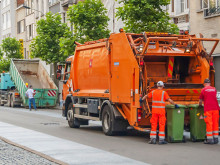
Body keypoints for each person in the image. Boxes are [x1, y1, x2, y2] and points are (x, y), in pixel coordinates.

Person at [199, 78, 219, 144]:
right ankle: (216, 138)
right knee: (215, 123)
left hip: (208, 109)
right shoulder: (214, 89)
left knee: (209, 123)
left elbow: (200, 100)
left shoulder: (203, 90)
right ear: (210, 83)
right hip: (216, 108)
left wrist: (200, 105)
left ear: (204, 84)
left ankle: (209, 139)